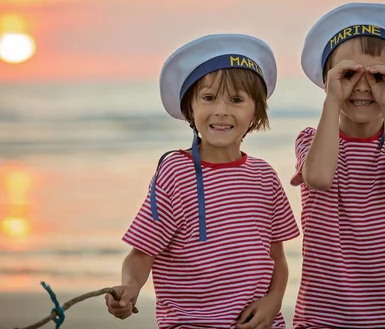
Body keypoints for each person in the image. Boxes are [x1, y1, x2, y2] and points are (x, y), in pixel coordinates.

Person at [105, 33, 300, 328]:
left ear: (256, 112)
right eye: (208, 98)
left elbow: (277, 259)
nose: (221, 110)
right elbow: (142, 253)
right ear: (190, 109)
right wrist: (130, 287)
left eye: (236, 100)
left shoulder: (264, 177)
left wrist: (273, 302)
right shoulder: (175, 173)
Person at [291, 2, 385, 328]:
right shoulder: (311, 141)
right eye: (349, 75)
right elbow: (320, 177)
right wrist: (333, 100)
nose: (363, 86)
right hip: (321, 316)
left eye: (378, 75)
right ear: (328, 82)